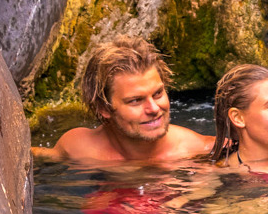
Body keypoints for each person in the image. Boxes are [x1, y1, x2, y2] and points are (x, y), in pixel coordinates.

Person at [34, 35, 216, 168]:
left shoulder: (198, 150)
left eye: (158, 93)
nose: (154, 108)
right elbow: (34, 157)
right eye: (136, 101)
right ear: (104, 107)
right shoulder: (79, 148)